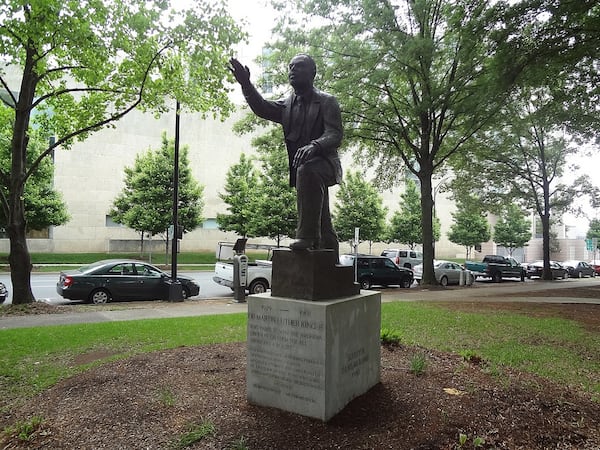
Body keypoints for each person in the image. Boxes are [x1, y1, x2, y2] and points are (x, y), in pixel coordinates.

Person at [229, 54, 343, 258]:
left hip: (325, 164)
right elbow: (262, 108)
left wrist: (314, 146)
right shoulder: (287, 105)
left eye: (298, 67)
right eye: (290, 67)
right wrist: (246, 84)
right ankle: (330, 256)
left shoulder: (327, 101)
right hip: (306, 171)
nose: (292, 70)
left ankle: (306, 236)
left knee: (307, 170)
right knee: (321, 215)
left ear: (312, 73)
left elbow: (335, 134)